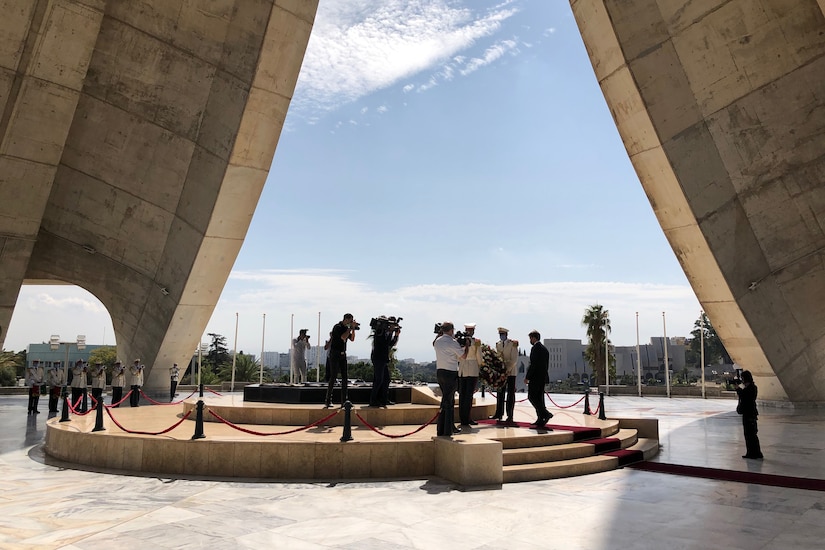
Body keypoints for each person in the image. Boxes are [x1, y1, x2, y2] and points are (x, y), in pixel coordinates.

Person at [434, 322, 469, 437]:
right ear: (451, 330)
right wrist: (467, 346)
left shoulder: (438, 341)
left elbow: (435, 344)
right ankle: (447, 429)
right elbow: (463, 356)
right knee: (448, 402)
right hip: (450, 372)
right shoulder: (452, 342)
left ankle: (442, 427)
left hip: (440, 372)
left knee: (446, 399)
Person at [324, 314, 358, 407]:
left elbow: (352, 339)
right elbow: (343, 337)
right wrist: (349, 328)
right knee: (333, 377)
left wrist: (353, 329)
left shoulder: (347, 328)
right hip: (335, 354)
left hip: (343, 354)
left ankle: (344, 401)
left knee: (345, 377)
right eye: (350, 321)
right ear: (346, 319)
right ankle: (328, 400)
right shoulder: (337, 327)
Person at [369, 316, 401, 407]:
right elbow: (385, 343)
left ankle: (384, 399)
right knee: (378, 380)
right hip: (378, 358)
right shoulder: (379, 332)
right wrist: (391, 332)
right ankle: (373, 400)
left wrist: (396, 336)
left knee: (386, 379)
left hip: (383, 359)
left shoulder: (385, 332)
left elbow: (390, 345)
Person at [457, 323, 483, 427]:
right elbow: (479, 357)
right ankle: (466, 418)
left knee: (463, 395)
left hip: (463, 369)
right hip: (472, 369)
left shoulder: (460, 341)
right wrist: (480, 366)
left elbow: (458, 356)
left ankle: (463, 418)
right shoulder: (476, 342)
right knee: (468, 396)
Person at [492, 327, 519, 423]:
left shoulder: (513, 344)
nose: (501, 336)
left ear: (506, 335)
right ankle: (499, 413)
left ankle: (510, 415)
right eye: (500, 334)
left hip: (510, 372)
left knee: (510, 394)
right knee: (500, 393)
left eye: (502, 334)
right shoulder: (498, 344)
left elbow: (514, 359)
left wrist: (506, 370)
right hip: (501, 372)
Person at [526, 330, 552, 428]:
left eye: (530, 338)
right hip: (542, 377)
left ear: (534, 338)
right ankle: (540, 418)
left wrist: (528, 377)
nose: (530, 340)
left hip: (535, 378)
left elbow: (533, 364)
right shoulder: (544, 349)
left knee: (532, 397)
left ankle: (545, 414)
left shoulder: (535, 348)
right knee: (539, 399)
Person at [735, 370, 763, 459]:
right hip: (749, 413)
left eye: (743, 378)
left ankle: (754, 453)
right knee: (750, 434)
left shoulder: (751, 388)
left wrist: (738, 389)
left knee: (750, 434)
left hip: (749, 414)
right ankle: (753, 452)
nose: (742, 380)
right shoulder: (752, 387)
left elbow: (745, 397)